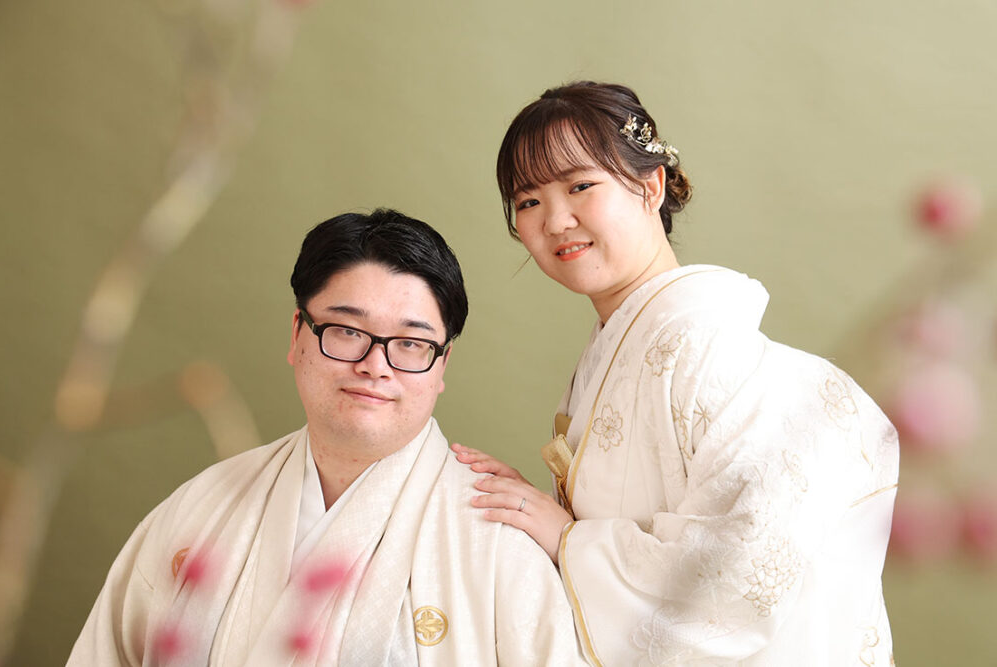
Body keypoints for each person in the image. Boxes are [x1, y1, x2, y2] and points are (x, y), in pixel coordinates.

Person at [453, 82, 899, 666]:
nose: (556, 220)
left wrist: (568, 539)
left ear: (651, 186)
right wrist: (535, 517)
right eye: (528, 201)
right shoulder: (620, 348)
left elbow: (738, 577)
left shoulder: (709, 348)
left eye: (580, 185)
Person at [69, 209, 586, 666]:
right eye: (347, 331)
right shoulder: (202, 507)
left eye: (411, 343)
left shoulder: (497, 542)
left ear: (442, 364)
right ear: (298, 333)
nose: (375, 365)